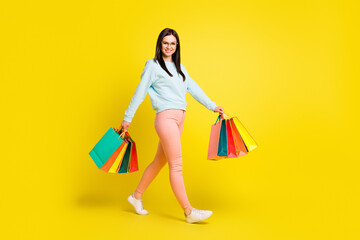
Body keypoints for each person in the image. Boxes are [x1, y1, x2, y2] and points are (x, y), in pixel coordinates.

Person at [122, 28, 224, 223]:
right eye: (165, 43)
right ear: (160, 45)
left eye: (172, 44)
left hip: (180, 119)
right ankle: (189, 212)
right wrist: (128, 117)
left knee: (160, 161)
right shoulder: (152, 66)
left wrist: (212, 106)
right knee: (176, 165)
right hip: (165, 118)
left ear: (177, 47)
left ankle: (136, 196)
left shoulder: (181, 69)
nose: (169, 46)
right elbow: (140, 92)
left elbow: (194, 89)